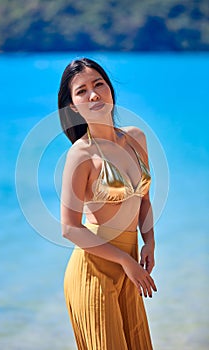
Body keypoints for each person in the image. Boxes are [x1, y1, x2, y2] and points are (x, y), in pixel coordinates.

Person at [58, 57, 157, 350]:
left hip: (129, 271)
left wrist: (149, 242)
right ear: (73, 107)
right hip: (93, 272)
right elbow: (69, 229)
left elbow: (145, 199)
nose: (93, 94)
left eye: (99, 84)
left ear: (110, 89)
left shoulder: (135, 138)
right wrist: (126, 261)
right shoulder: (80, 155)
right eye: (82, 91)